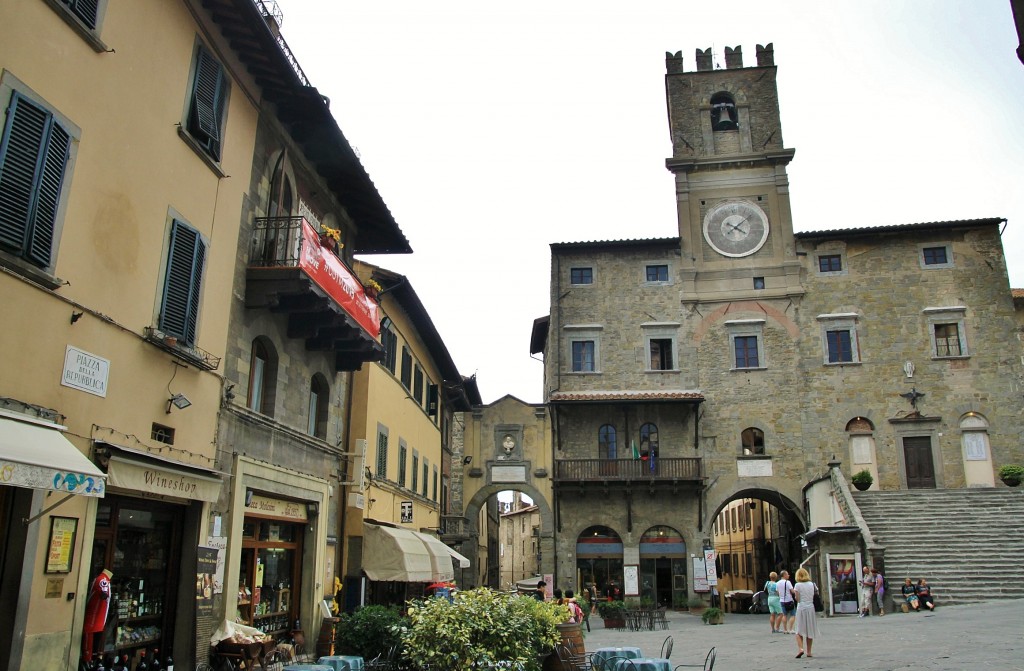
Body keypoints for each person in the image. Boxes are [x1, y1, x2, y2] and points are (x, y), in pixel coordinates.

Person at [792, 567, 820, 659]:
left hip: (801, 608)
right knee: (810, 630)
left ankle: (800, 649)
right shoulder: (812, 584)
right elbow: (816, 594)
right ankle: (809, 652)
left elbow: (797, 599)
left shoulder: (797, 585)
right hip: (810, 608)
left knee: (798, 630)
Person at [777, 569, 796, 634]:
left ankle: (785, 629)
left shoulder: (778, 583)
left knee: (784, 615)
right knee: (792, 615)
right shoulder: (788, 582)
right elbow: (792, 591)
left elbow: (777, 592)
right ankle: (790, 629)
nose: (788, 575)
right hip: (789, 600)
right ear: (784, 575)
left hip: (782, 601)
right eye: (787, 574)